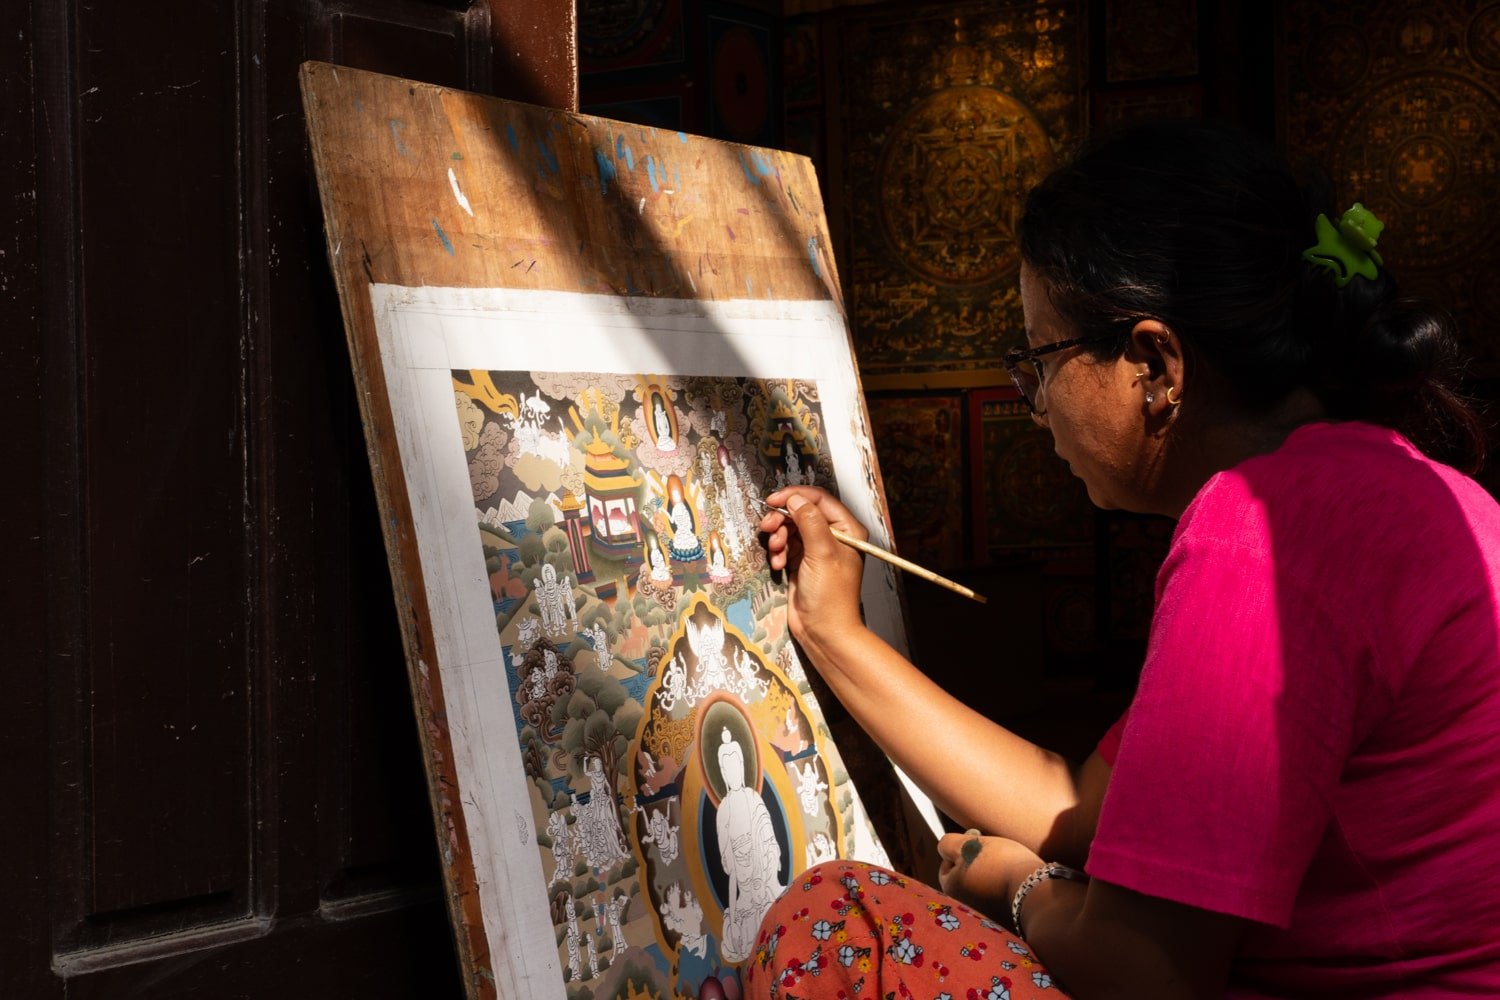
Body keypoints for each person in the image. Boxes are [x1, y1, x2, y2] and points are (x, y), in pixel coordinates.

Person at [748, 118, 1500, 999]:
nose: (1034, 409)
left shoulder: (1264, 534)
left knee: (839, 921)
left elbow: (1145, 972)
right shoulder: (1401, 487)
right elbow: (1081, 806)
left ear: (1155, 364)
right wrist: (837, 634)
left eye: (1039, 362)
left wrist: (1017, 889)